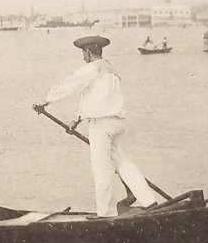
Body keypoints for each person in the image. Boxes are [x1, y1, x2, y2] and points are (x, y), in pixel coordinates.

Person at [33, 35, 157, 217]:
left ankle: (104, 213)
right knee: (123, 162)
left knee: (101, 167)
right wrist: (77, 120)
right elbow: (92, 96)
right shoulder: (110, 69)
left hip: (102, 125)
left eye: (83, 54)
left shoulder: (91, 69)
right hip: (117, 122)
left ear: (88, 52)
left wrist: (46, 101)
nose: (83, 58)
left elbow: (69, 85)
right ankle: (149, 200)